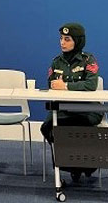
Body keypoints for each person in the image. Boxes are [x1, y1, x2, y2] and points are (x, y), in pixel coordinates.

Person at [40, 23, 102, 183]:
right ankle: (68, 167)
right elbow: (51, 85)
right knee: (47, 127)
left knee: (79, 125)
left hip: (87, 109)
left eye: (67, 39)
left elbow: (91, 84)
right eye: (61, 38)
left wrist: (66, 86)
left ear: (78, 41)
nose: (62, 42)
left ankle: (85, 166)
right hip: (63, 109)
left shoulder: (88, 60)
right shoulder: (56, 62)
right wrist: (57, 86)